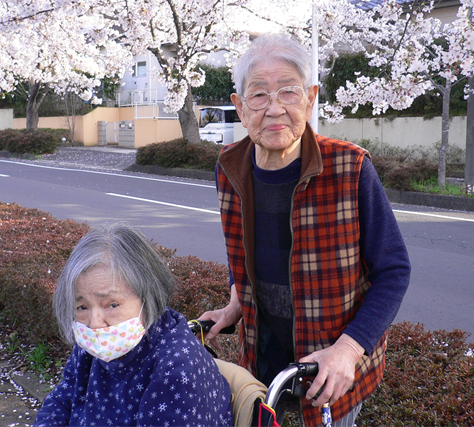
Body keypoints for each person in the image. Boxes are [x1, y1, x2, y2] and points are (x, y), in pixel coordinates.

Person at [199, 33, 411, 427]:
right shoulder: (229, 167)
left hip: (330, 366)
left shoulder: (350, 168)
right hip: (261, 360)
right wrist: (235, 302)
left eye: (289, 93)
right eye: (259, 96)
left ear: (310, 98)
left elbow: (394, 270)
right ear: (240, 107)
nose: (274, 109)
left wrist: (348, 350)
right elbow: (241, 252)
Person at [34, 222, 233, 427]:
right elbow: (60, 403)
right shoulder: (92, 344)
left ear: (148, 297)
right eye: (82, 307)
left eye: (112, 304)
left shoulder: (175, 370)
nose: (95, 323)